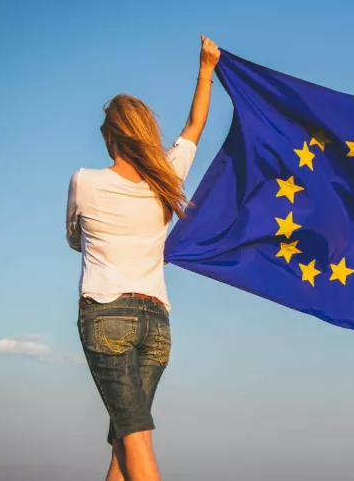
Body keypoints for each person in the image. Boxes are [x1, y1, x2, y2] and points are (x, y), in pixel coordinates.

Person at [66, 35, 221, 481]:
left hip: (106, 315)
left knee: (136, 441)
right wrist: (206, 68)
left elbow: (75, 240)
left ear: (110, 137)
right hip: (156, 325)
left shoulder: (85, 182)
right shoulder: (166, 179)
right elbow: (194, 127)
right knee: (123, 443)